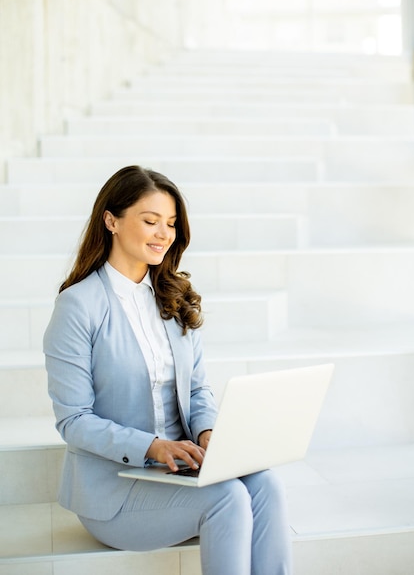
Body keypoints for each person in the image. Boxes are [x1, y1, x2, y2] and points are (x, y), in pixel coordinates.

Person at [44, 165, 292, 575]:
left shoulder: (172, 297)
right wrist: (152, 447)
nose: (164, 234)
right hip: (116, 490)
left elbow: (197, 392)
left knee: (266, 484)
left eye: (172, 224)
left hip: (178, 472)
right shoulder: (78, 306)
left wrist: (208, 433)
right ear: (111, 221)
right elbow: (74, 420)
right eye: (150, 221)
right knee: (227, 497)